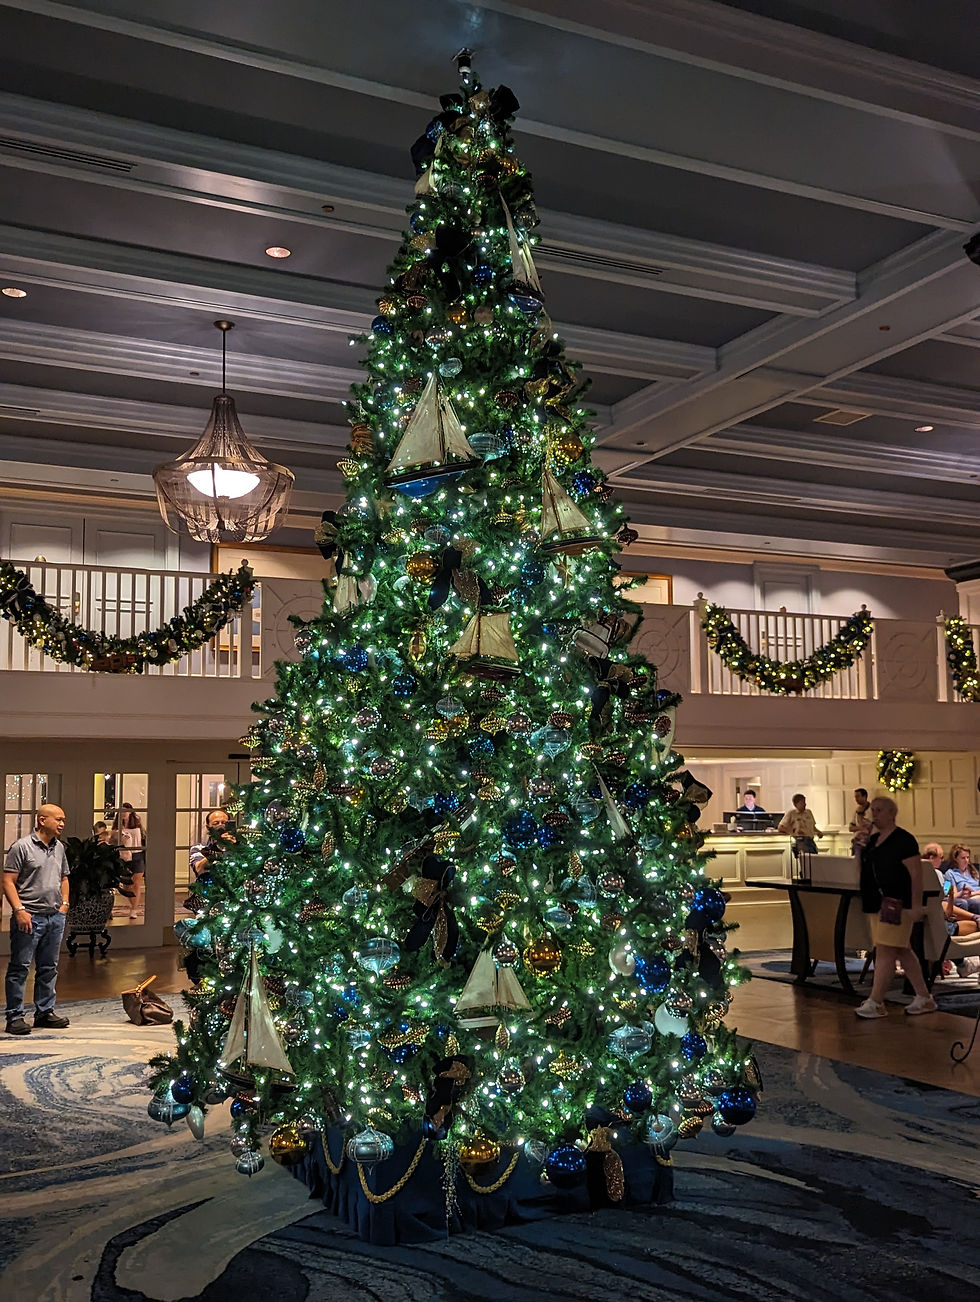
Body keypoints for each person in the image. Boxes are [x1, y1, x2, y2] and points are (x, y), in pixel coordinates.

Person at [853, 795, 936, 1018]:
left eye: (879, 810)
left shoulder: (904, 840)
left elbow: (916, 874)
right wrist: (858, 848)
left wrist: (916, 905)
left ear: (892, 813)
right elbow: (861, 871)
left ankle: (876, 1002)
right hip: (875, 903)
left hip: (897, 903)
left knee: (886, 950)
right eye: (873, 810)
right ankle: (924, 998)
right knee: (901, 949)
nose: (874, 814)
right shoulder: (872, 841)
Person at [3, 804, 71, 1034]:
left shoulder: (59, 847)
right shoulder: (21, 847)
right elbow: (7, 881)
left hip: (54, 916)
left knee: (49, 967)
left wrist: (64, 905)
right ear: (42, 820)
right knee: (20, 967)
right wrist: (19, 910)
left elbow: (64, 877)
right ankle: (14, 1017)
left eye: (63, 820)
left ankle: (44, 1012)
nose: (62, 823)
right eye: (58, 819)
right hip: (29, 916)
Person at [188, 809, 237, 892]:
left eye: (224, 823)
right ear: (208, 827)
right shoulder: (199, 848)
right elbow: (199, 868)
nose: (220, 826)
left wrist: (236, 847)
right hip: (209, 891)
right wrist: (216, 850)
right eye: (216, 823)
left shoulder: (237, 845)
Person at [112, 803, 146, 920]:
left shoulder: (137, 824)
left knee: (136, 884)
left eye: (126, 811)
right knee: (126, 886)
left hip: (137, 855)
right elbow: (113, 840)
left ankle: (134, 909)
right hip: (124, 857)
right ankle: (134, 905)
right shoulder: (117, 826)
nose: (124, 813)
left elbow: (143, 837)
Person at [943, 844, 980, 917]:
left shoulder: (973, 871)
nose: (966, 860)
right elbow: (946, 894)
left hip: (976, 896)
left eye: (968, 857)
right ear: (955, 859)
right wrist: (962, 893)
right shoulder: (949, 874)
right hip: (968, 900)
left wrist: (972, 893)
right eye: (963, 858)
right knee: (975, 903)